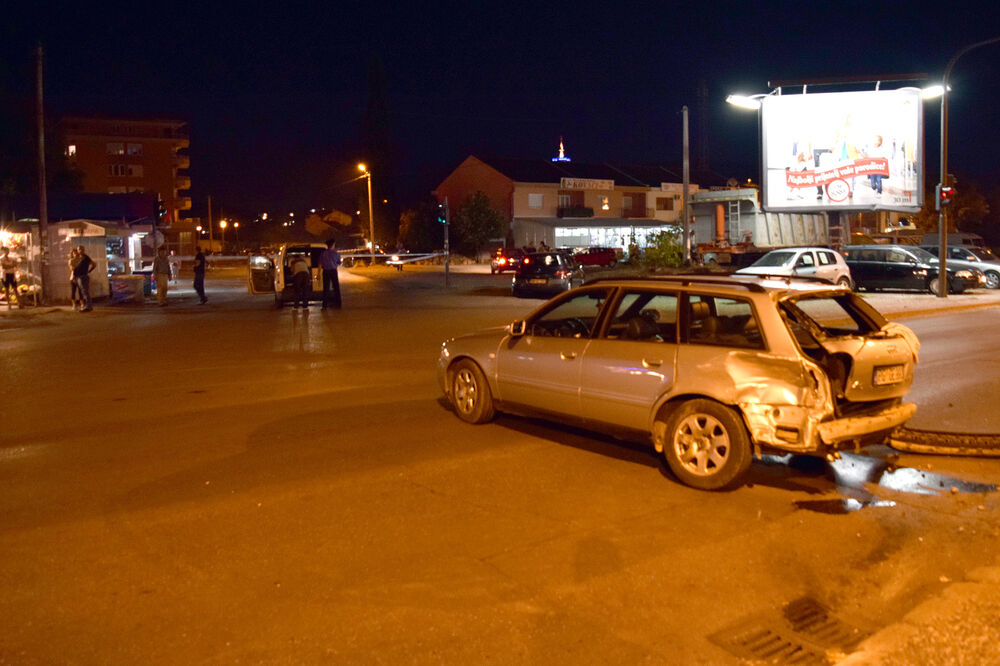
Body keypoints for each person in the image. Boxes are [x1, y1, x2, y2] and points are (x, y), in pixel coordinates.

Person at [73, 245, 97, 312]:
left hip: (83, 276)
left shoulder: (86, 258)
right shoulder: (78, 258)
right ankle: (87, 306)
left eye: (81, 249)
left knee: (85, 291)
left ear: (83, 250)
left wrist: (89, 271)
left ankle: (88, 306)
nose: (79, 250)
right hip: (79, 276)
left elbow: (94, 264)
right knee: (83, 291)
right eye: (78, 249)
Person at [319, 239, 342, 309]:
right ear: (333, 245)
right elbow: (339, 262)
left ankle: (324, 305)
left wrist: (318, 274)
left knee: (326, 288)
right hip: (333, 271)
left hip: (325, 271)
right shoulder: (336, 253)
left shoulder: (323, 253)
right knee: (336, 287)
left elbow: (320, 264)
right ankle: (338, 304)